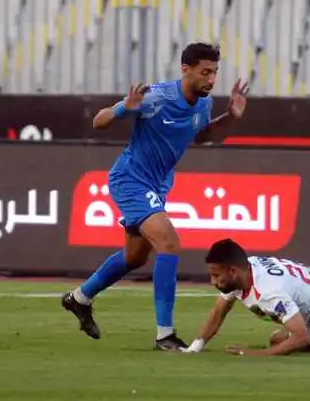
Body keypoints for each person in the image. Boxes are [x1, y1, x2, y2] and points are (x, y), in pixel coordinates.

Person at [62, 42, 249, 352]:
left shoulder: (203, 103)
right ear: (185, 69)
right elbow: (99, 121)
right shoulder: (156, 97)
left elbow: (201, 135)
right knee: (169, 242)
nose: (212, 79)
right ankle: (165, 335)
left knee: (134, 257)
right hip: (130, 179)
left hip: (158, 186)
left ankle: (79, 298)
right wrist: (124, 108)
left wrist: (230, 116)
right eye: (205, 72)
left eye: (215, 72)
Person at [185, 238, 310, 356]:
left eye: (216, 275)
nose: (213, 281)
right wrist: (194, 348)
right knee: (277, 340)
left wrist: (253, 354)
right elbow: (218, 311)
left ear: (232, 271)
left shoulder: (268, 292)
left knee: (292, 342)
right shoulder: (246, 268)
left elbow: (301, 337)